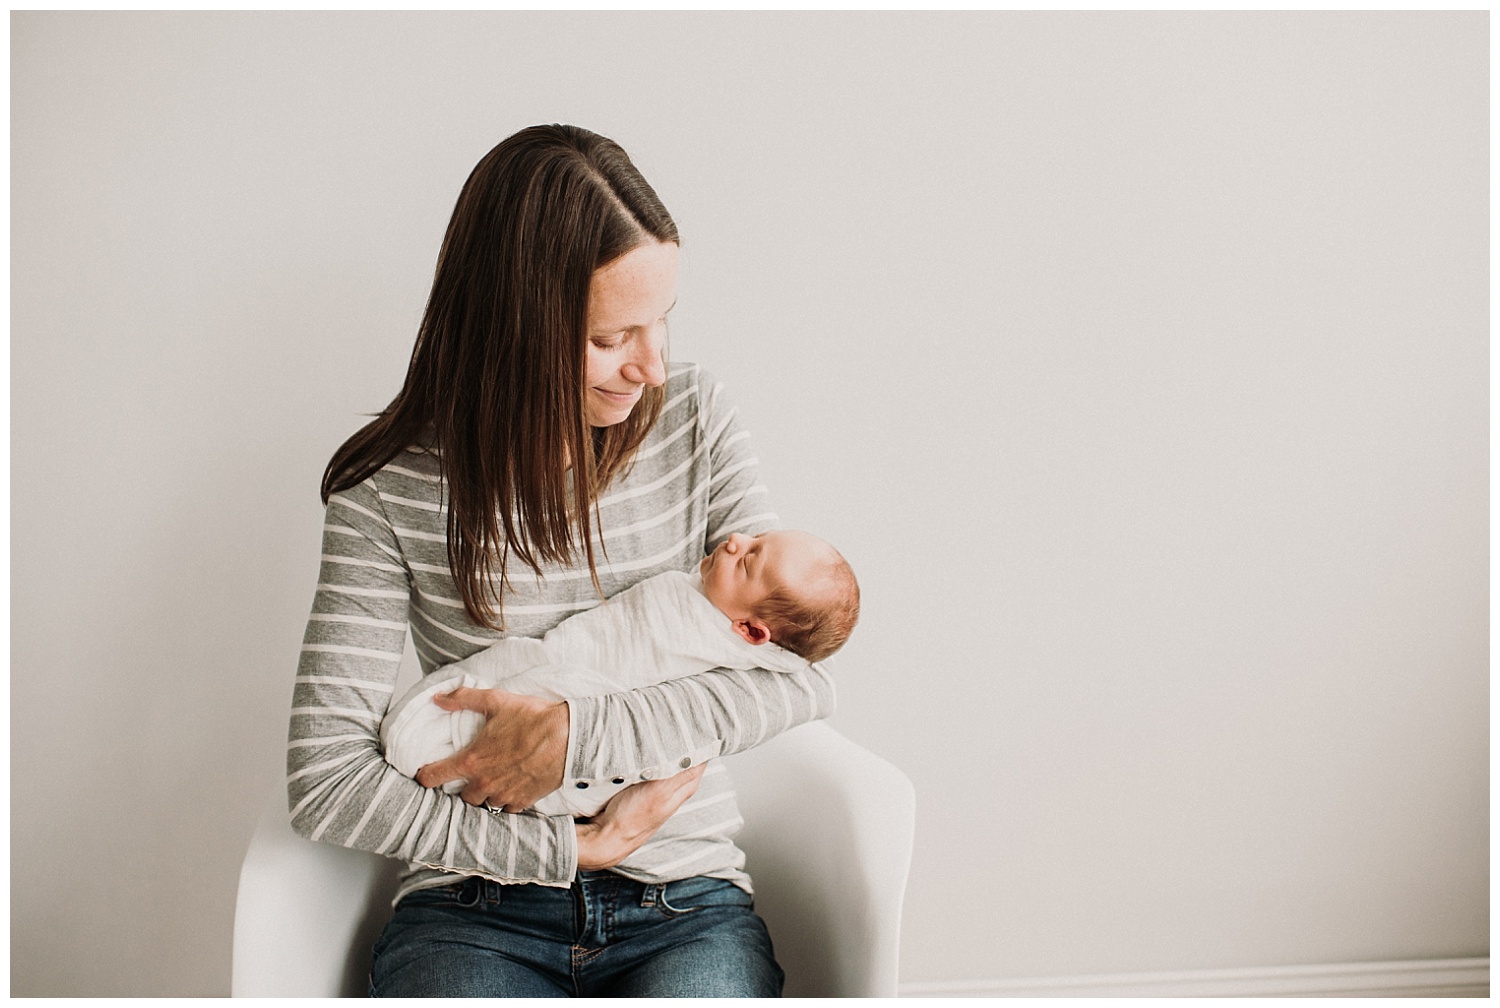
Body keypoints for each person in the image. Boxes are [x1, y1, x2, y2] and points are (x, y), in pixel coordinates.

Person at [286, 123, 835, 998]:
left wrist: (573, 738)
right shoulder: (386, 490)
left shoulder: (696, 419)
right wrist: (566, 845)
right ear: (513, 329)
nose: (652, 367)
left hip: (682, 898)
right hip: (473, 908)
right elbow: (324, 779)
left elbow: (797, 679)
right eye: (611, 337)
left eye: (662, 323)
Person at [380, 529, 860, 817]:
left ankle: (449, 735)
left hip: (672, 869)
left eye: (750, 559)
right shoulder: (719, 591)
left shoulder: (728, 641)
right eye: (754, 538)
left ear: (753, 633)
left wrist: (577, 734)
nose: (735, 540)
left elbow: (812, 682)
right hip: (480, 877)